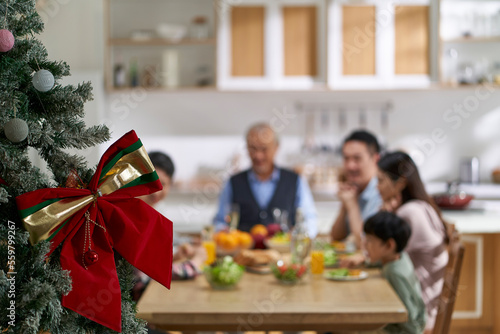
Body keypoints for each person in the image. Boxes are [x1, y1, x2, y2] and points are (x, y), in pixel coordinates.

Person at [376, 151, 448, 331]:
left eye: (381, 180)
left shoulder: (409, 214)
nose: (377, 187)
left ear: (400, 183)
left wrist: (384, 216)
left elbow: (376, 255)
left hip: (415, 315)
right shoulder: (422, 206)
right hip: (421, 305)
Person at [213, 123, 318, 238]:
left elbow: (309, 219)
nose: (258, 156)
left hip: (284, 253)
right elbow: (220, 221)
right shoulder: (233, 182)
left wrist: (300, 235)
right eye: (253, 148)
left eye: (264, 149)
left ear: (276, 147)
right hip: (243, 254)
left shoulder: (295, 180)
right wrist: (223, 233)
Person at [133, 151, 206, 301]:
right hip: (135, 310)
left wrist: (174, 257)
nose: (156, 189)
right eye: (150, 181)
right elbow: (144, 277)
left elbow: (150, 262)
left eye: (163, 183)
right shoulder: (131, 216)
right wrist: (195, 263)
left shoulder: (150, 212)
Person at [363, 211, 427, 334]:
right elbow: (380, 261)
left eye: (370, 240)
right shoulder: (400, 256)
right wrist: (366, 261)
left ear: (389, 245)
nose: (365, 244)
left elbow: (409, 318)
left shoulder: (393, 273)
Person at [330, 130, 382, 248]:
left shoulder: (381, 192)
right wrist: (345, 206)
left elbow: (366, 246)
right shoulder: (355, 189)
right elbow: (336, 237)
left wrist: (352, 205)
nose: (350, 166)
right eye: (346, 158)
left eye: (357, 159)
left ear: (375, 159)